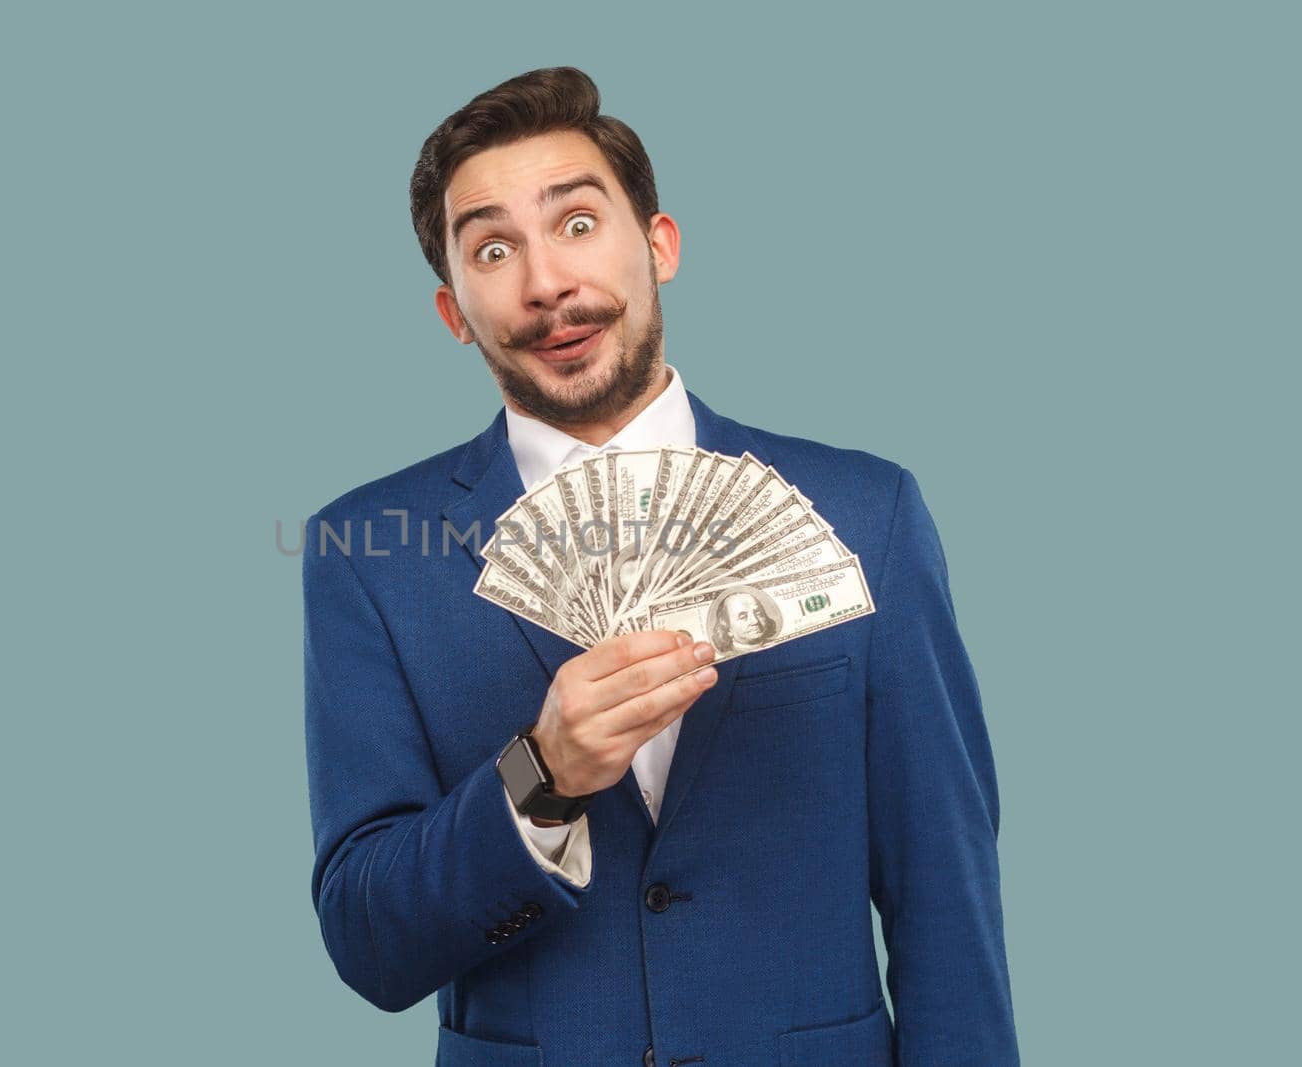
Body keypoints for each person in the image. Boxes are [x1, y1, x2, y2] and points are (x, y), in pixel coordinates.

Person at [301, 67, 1019, 1066]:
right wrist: (539, 773)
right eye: (493, 248)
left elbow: (945, 892)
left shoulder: (867, 513)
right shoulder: (365, 550)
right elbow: (367, 938)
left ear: (659, 245)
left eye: (578, 222)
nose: (546, 280)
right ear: (452, 311)